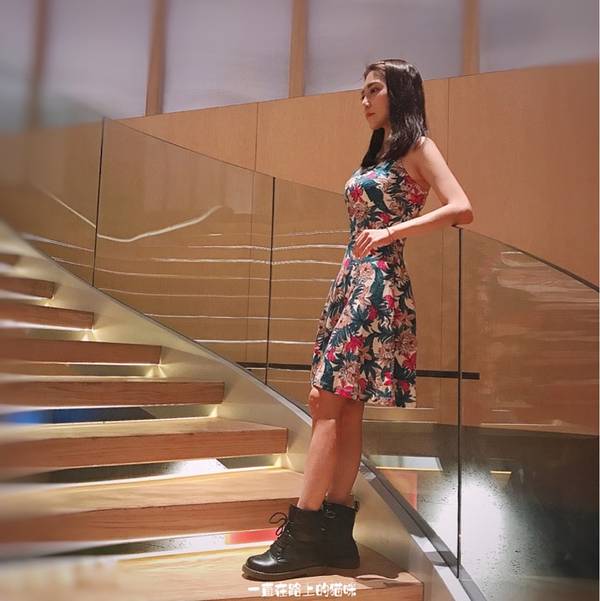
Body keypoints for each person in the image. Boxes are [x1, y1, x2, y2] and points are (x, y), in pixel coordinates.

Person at [242, 58, 473, 581]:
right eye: (362, 93)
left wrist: (392, 232)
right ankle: (336, 535)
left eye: (374, 90)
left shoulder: (418, 146)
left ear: (400, 92)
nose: (364, 101)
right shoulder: (380, 152)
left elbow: (461, 207)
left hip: (379, 282)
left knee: (326, 400)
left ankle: (303, 530)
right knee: (343, 408)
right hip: (354, 278)